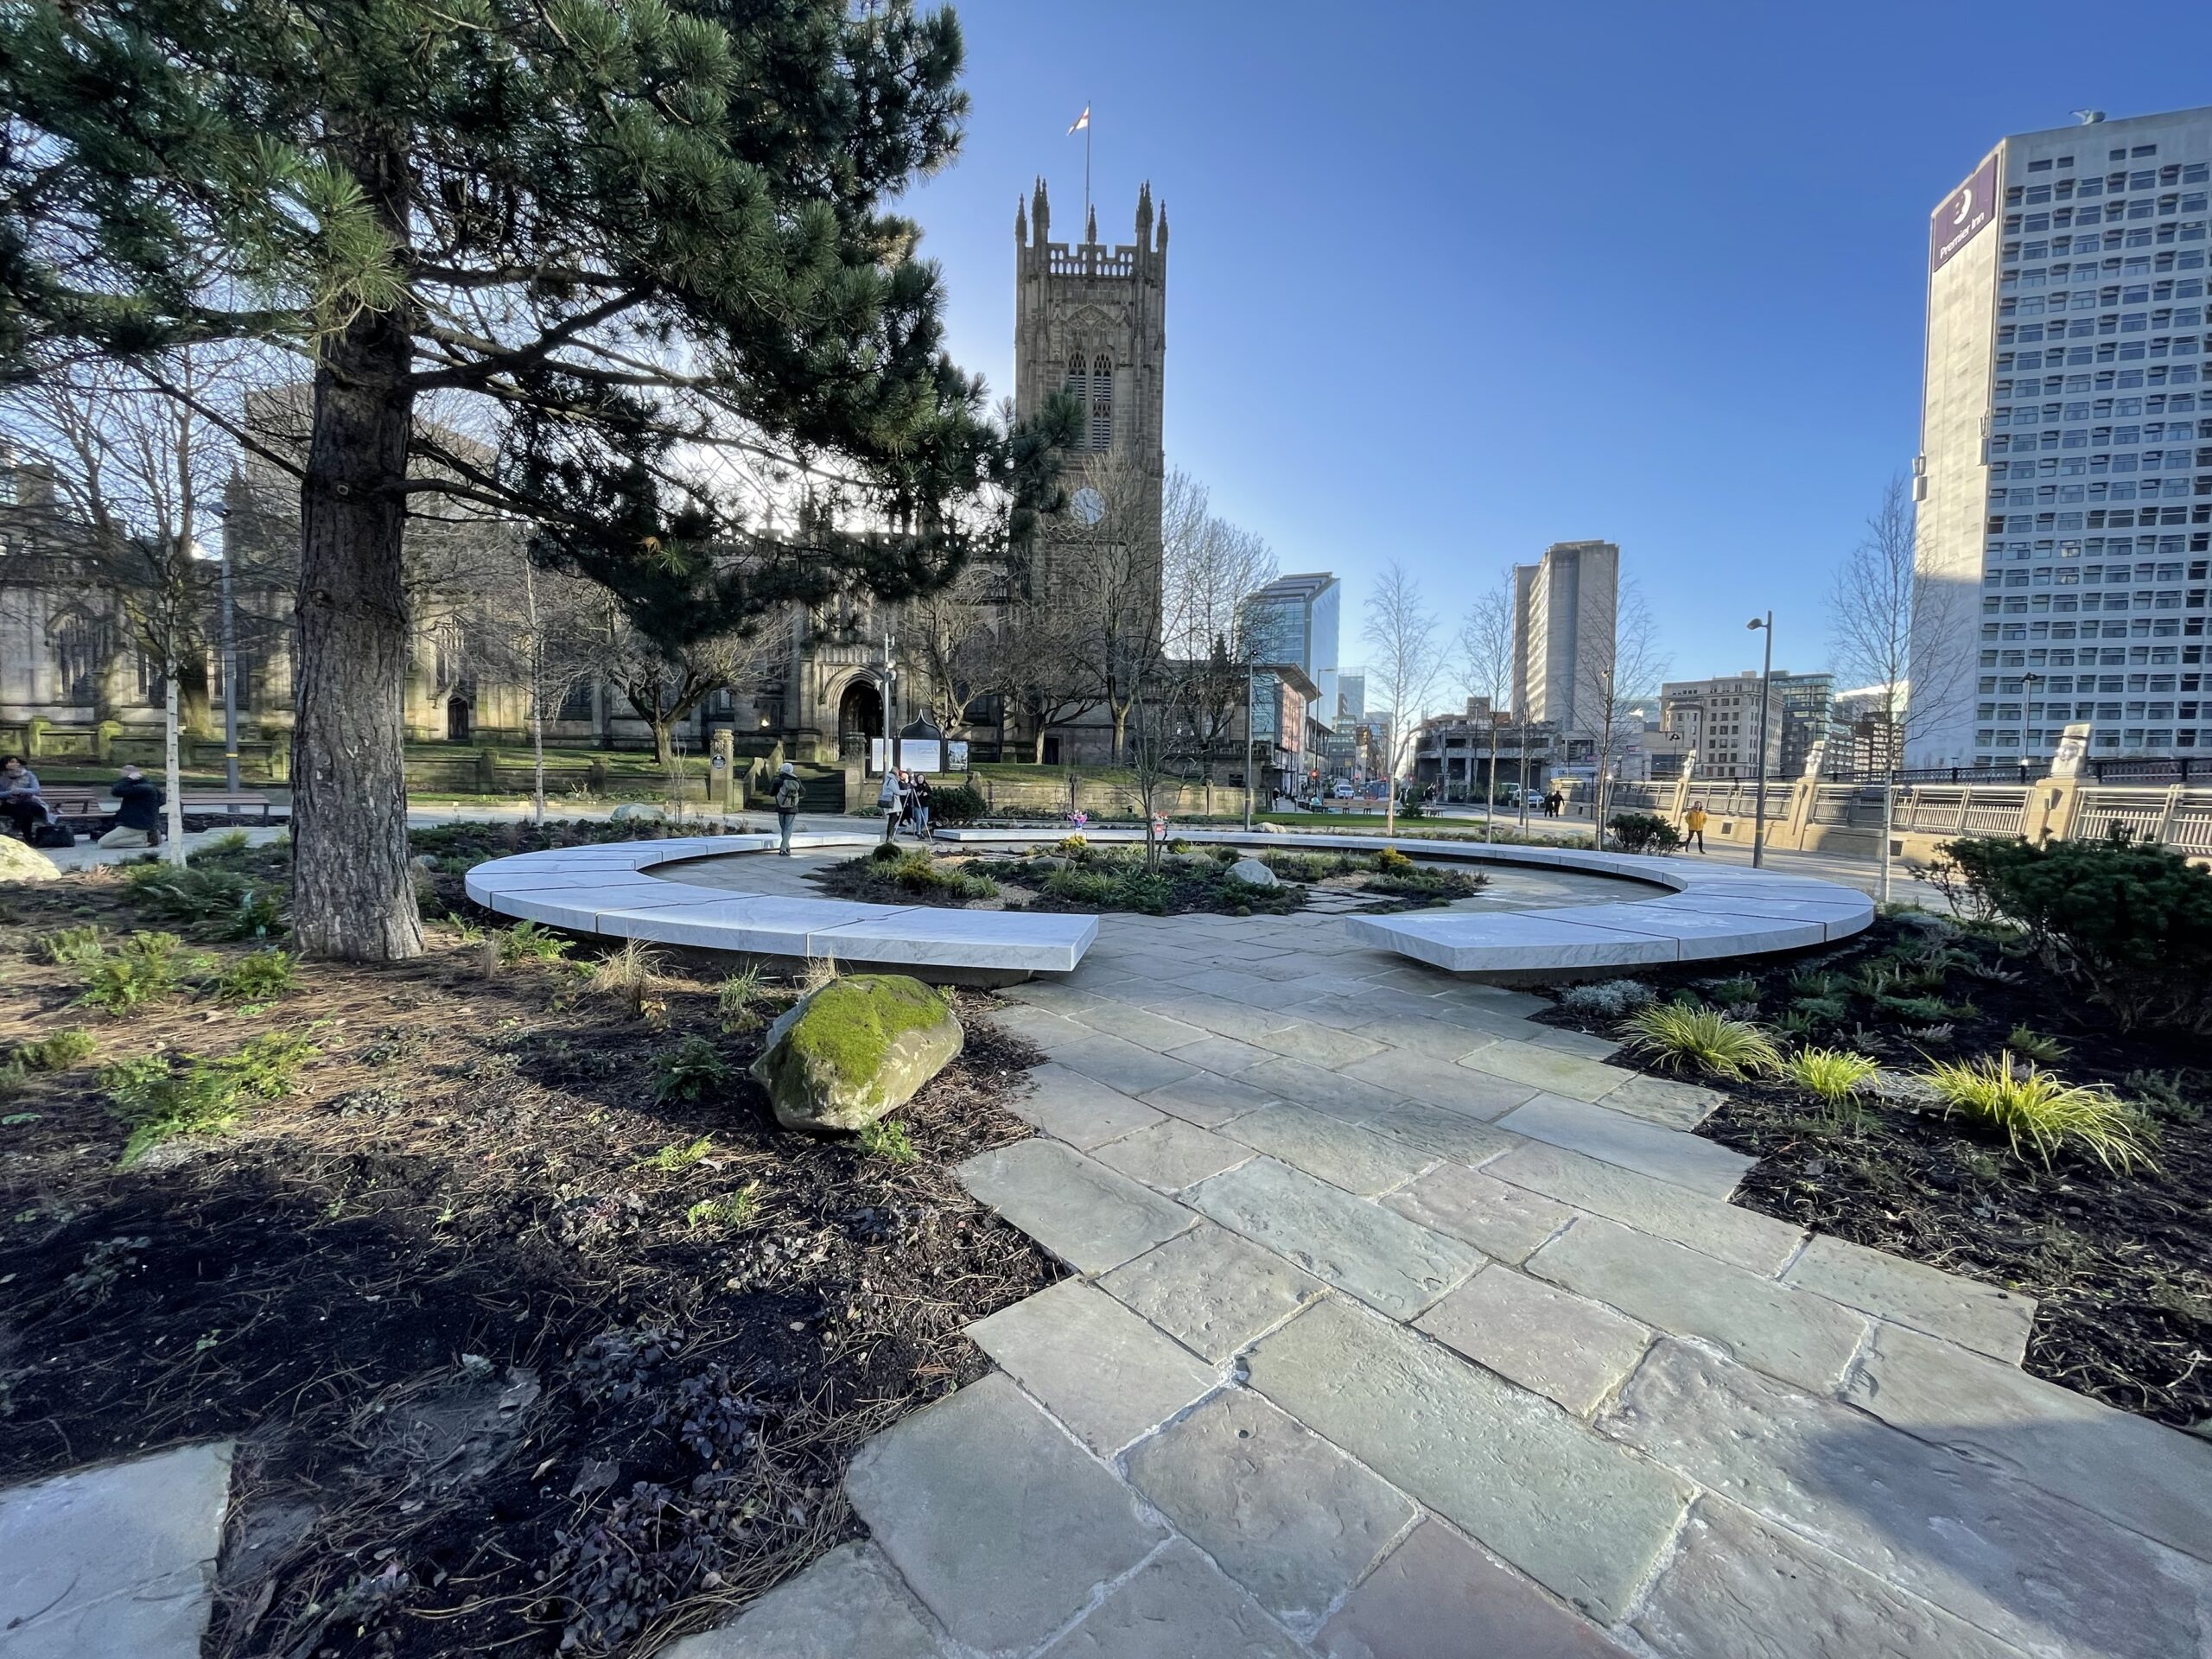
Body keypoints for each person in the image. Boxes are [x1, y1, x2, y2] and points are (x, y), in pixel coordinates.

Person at [102, 764, 165, 848]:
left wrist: (128, 779)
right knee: (111, 840)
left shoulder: (139, 788)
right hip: (145, 824)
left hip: (134, 825)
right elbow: (162, 800)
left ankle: (145, 839)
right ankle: (148, 839)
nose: (122, 779)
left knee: (103, 843)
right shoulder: (150, 786)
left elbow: (116, 791)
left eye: (123, 777)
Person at [0, 755, 54, 839]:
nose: (15, 764)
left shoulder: (29, 775)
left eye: (15, 762)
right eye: (11, 762)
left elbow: (36, 790)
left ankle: (18, 828)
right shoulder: (2, 777)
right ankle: (28, 837)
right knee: (24, 810)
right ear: (5, 765)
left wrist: (21, 790)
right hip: (10, 803)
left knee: (26, 807)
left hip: (30, 802)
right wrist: (9, 793)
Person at [772, 760, 804, 855]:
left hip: (781, 807)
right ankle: (786, 848)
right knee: (788, 829)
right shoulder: (796, 780)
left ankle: (783, 848)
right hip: (792, 808)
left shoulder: (778, 780)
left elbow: (771, 793)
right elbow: (803, 792)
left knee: (784, 828)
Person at [876, 766, 901, 844]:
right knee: (892, 820)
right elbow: (897, 791)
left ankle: (891, 836)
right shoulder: (891, 781)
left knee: (894, 820)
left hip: (892, 804)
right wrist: (906, 792)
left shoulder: (889, 779)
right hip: (892, 804)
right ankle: (889, 837)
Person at [911, 773, 932, 839]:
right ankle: (919, 833)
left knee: (925, 820)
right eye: (919, 778)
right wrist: (916, 795)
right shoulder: (915, 786)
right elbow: (911, 796)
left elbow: (931, 794)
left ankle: (919, 829)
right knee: (919, 819)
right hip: (917, 805)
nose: (920, 779)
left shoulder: (926, 786)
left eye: (921, 778)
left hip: (925, 805)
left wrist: (927, 794)